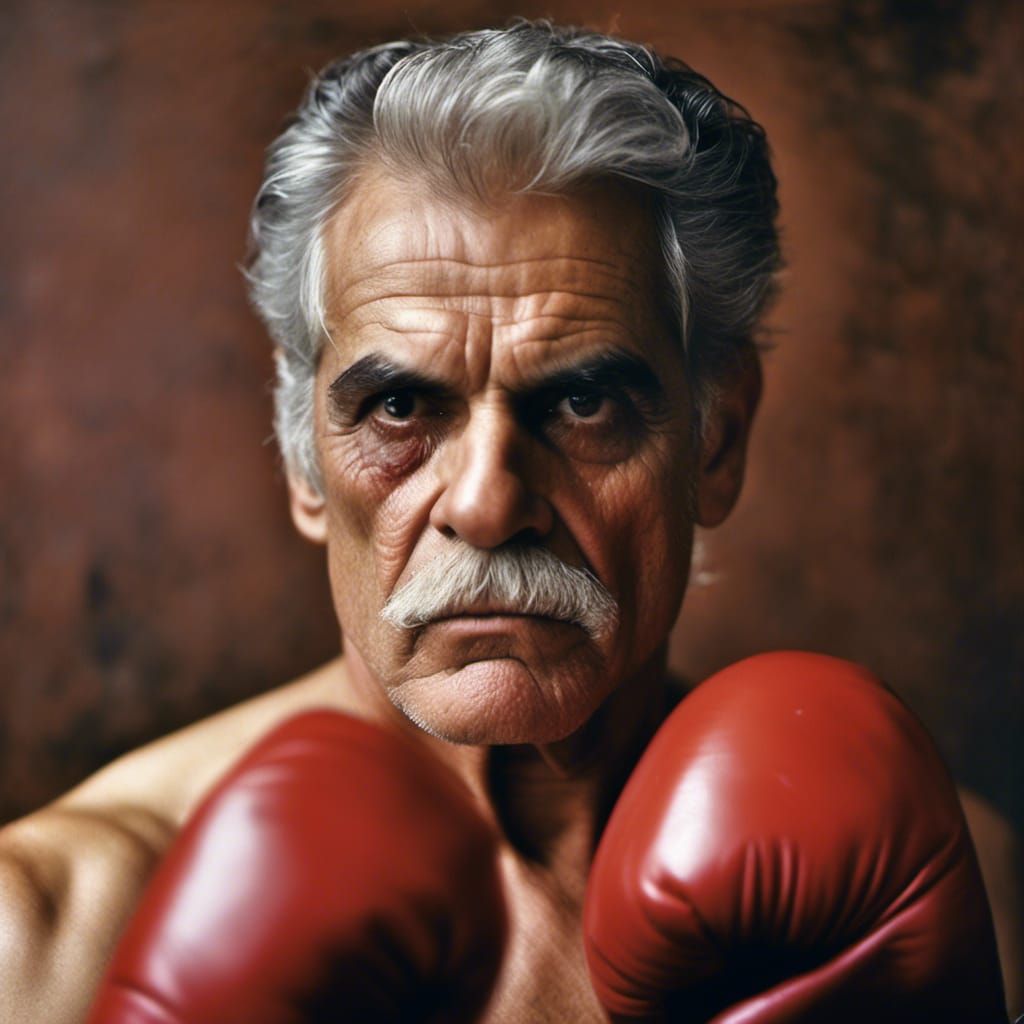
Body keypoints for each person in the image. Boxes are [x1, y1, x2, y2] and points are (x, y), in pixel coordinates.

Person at [0, 21, 1017, 1023]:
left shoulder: (923, 890)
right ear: (304, 460)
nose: (486, 504)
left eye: (582, 403)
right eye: (399, 406)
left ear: (716, 439)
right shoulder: (49, 931)